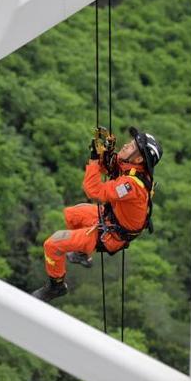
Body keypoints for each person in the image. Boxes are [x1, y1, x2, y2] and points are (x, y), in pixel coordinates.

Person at [32, 126, 163, 302]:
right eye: (130, 142)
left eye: (131, 146)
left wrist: (94, 159)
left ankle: (56, 285)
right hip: (111, 216)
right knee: (72, 214)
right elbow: (110, 165)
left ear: (139, 158)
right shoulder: (131, 166)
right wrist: (104, 154)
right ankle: (82, 253)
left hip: (112, 234)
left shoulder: (131, 186)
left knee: (53, 244)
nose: (125, 145)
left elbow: (94, 191)